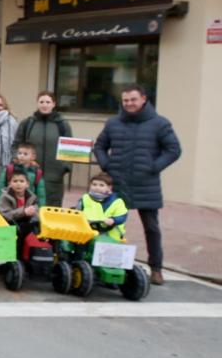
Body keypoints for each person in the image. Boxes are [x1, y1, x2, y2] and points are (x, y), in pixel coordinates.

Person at [92, 85, 181, 284]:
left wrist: (153, 166)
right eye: (125, 100)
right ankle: (102, 264)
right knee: (106, 225)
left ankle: (156, 269)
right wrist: (106, 165)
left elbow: (173, 150)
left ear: (143, 99)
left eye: (133, 99)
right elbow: (99, 146)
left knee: (151, 228)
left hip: (146, 184)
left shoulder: (159, 123)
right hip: (117, 183)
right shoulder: (113, 123)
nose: (129, 104)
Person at [16, 91, 74, 207]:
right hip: (30, 175)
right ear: (37, 103)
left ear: (53, 104)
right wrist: (19, 162)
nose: (44, 105)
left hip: (54, 177)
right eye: (41, 102)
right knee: (29, 206)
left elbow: (70, 148)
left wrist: (65, 167)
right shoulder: (27, 123)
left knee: (52, 207)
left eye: (48, 102)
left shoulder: (62, 124)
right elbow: (16, 144)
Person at [77, 172, 129, 244]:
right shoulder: (85, 198)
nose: (97, 187)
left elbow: (122, 216)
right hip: (88, 230)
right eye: (94, 184)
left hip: (109, 233)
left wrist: (113, 220)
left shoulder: (117, 201)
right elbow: (78, 211)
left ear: (109, 187)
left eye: (101, 185)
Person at [0, 172, 40, 243]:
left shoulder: (32, 197)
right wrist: (23, 212)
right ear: (10, 184)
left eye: (21, 181)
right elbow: (5, 215)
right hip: (11, 227)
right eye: (15, 181)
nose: (18, 184)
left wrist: (34, 213)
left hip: (27, 226)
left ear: (27, 184)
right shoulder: (5, 197)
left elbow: (36, 213)